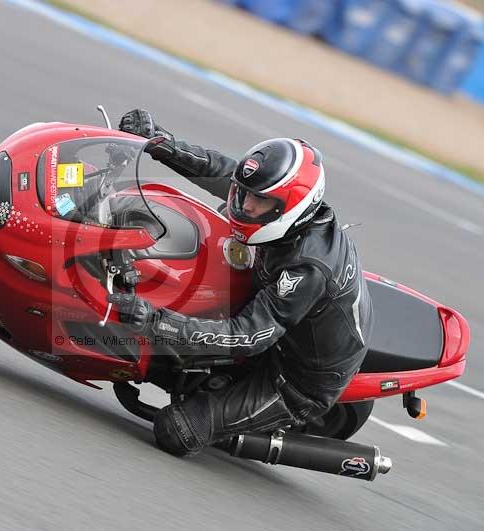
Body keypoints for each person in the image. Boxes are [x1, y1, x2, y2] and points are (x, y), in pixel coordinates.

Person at [109, 109, 374, 457]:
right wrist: (161, 143)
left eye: (257, 200)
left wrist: (156, 320)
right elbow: (222, 172)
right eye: (245, 193)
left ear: (290, 208)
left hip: (292, 376)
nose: (245, 204)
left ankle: (241, 426)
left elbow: (247, 336)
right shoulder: (273, 204)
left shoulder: (306, 268)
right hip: (273, 307)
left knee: (176, 430)